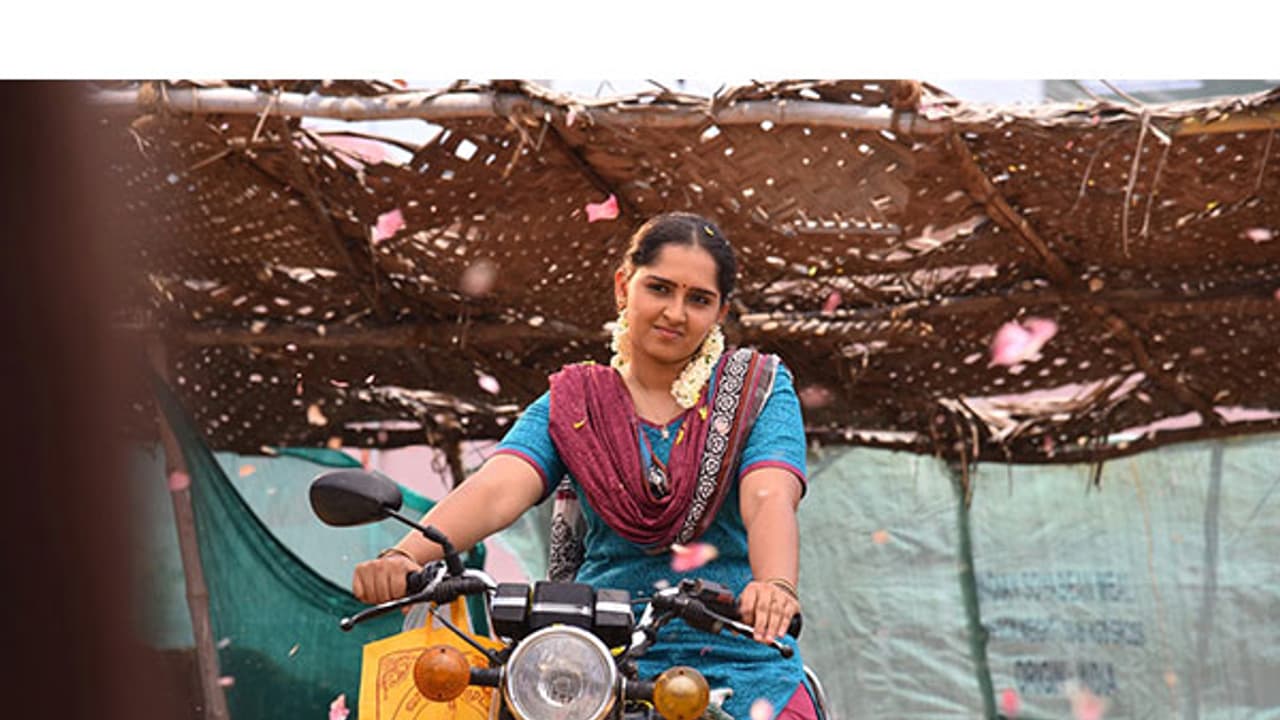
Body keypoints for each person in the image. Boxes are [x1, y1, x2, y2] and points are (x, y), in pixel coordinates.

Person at [353, 212, 817, 720]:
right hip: (593, 665)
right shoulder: (576, 401)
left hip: (740, 656)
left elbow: (769, 495)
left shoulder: (757, 390)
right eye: (659, 288)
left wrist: (775, 586)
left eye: (699, 299)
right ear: (623, 286)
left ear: (720, 312)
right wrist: (405, 555)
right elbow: (498, 487)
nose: (676, 313)